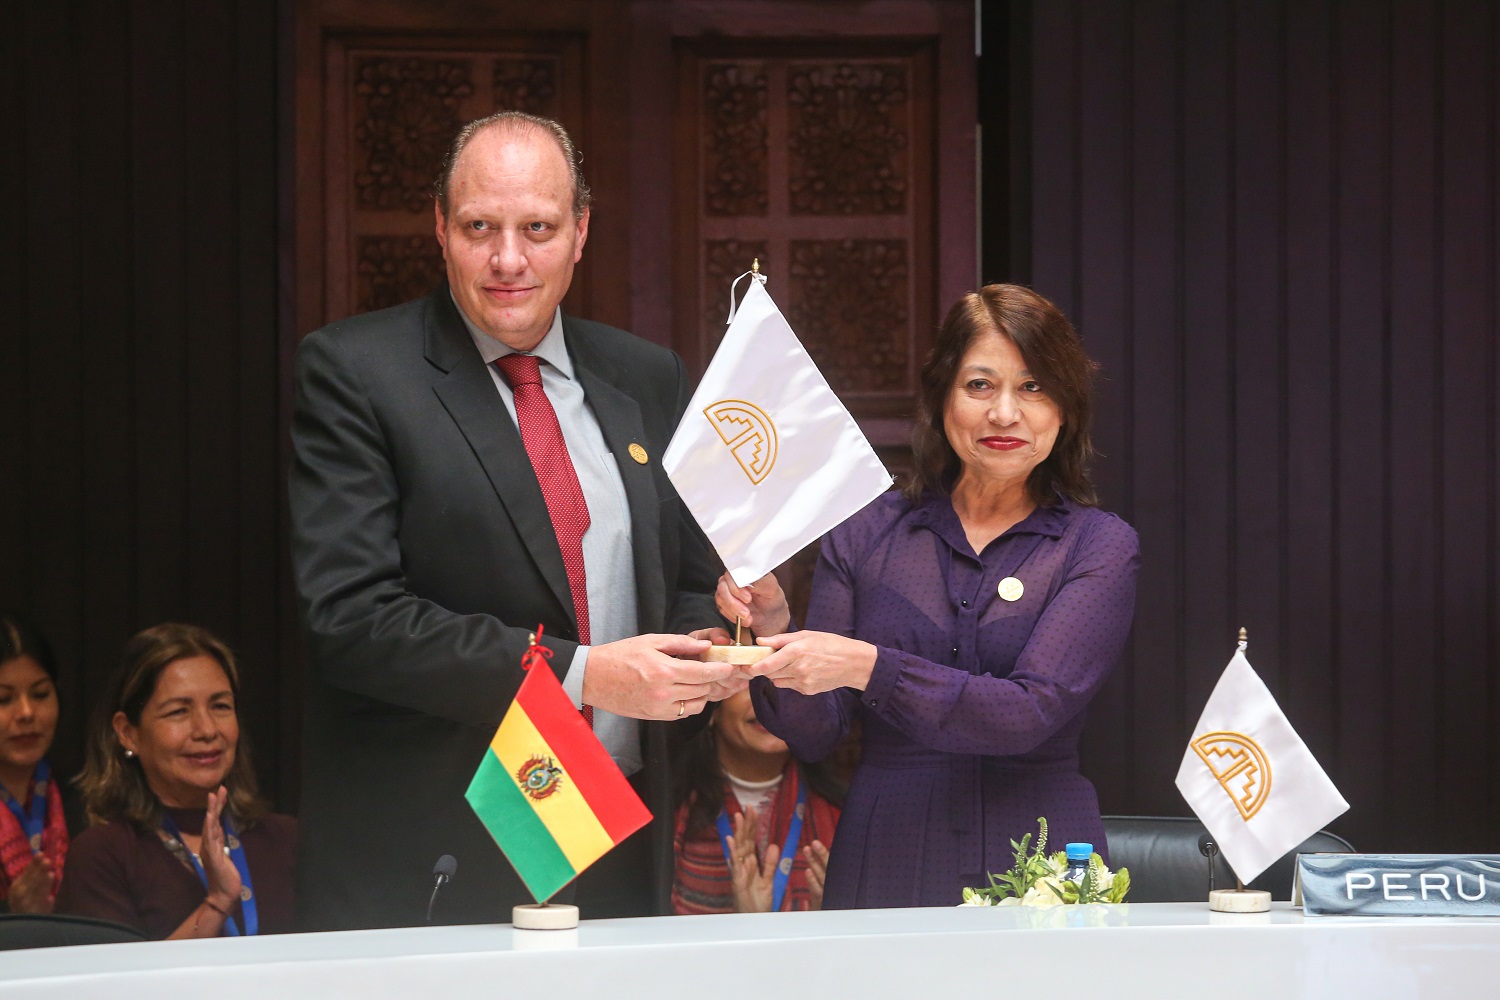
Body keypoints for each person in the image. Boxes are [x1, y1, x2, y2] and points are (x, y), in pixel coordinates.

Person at [289, 110, 738, 930]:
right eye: (479, 228)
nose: (508, 259)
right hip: (442, 847)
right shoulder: (356, 373)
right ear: (440, 226)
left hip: (618, 831)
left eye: (537, 228)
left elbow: (689, 581)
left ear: (581, 231)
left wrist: (709, 640)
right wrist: (582, 675)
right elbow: (351, 620)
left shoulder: (646, 375)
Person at [717, 284, 1139, 908]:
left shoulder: (1096, 545)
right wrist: (774, 630)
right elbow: (816, 733)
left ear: (1066, 409)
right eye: (979, 385)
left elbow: (1028, 714)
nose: (1004, 413)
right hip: (890, 847)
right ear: (942, 396)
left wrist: (871, 667)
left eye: (1033, 387)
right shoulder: (865, 531)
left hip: (1043, 851)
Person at [56, 623, 296, 938]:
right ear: (128, 733)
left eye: (220, 706)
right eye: (179, 712)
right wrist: (217, 902)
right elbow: (119, 972)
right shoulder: (103, 855)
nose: (207, 730)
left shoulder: (288, 839)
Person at [671, 689, 840, 914]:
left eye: (783, 679)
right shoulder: (668, 814)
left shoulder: (842, 817)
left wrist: (830, 919)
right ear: (710, 711)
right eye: (746, 681)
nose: (769, 696)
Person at [0, 615, 69, 914]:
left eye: (40, 694)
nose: (26, 713)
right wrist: (12, 915)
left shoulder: (89, 801)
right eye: (4, 699)